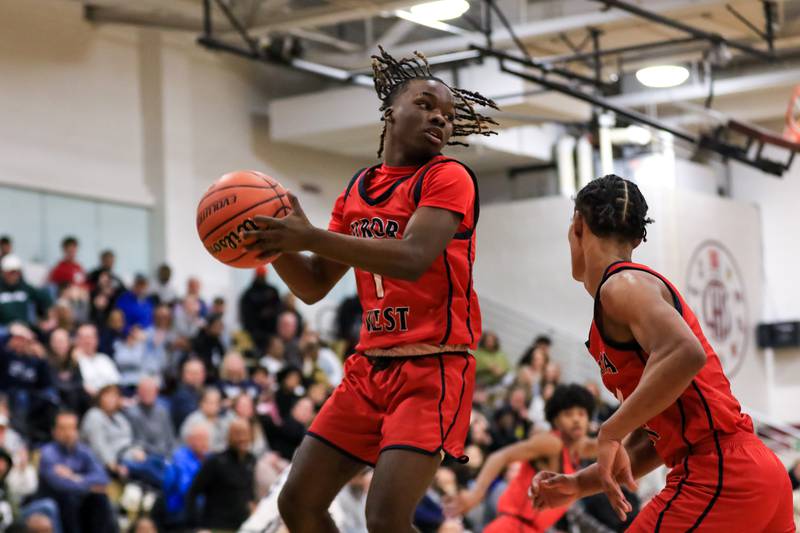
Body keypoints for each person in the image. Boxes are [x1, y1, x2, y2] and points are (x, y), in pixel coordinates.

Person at [243, 46, 498, 532]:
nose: (440, 119)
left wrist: (311, 236)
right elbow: (315, 285)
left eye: (447, 116)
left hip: (432, 368)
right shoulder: (357, 189)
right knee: (297, 503)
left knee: (384, 518)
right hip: (370, 368)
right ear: (390, 111)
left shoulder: (449, 177)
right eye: (425, 105)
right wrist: (271, 244)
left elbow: (412, 258)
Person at [531, 175, 795, 532]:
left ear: (577, 225)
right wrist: (580, 484)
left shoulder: (620, 286)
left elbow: (686, 352)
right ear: (639, 237)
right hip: (754, 471)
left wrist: (609, 432)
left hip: (718, 473)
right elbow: (657, 442)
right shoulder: (626, 298)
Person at [454, 384, 596, 532]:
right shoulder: (552, 443)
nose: (576, 420)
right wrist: (476, 493)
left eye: (581, 414)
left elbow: (609, 443)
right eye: (568, 414)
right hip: (512, 526)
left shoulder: (579, 449)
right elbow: (501, 456)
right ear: (555, 420)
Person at [37, 411, 117, 533]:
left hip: (82, 500)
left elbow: (102, 477)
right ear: (54, 431)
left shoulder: (83, 451)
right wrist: (89, 485)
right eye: (63, 428)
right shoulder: (48, 453)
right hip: (57, 500)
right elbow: (61, 485)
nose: (68, 433)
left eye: (72, 428)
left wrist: (75, 477)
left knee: (100, 498)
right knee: (70, 499)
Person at [186, 418, 256, 531]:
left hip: (243, 526)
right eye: (237, 433)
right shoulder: (216, 462)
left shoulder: (251, 460)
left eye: (246, 433)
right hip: (217, 526)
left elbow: (249, 492)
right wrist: (197, 527)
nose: (242, 438)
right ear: (229, 437)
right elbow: (192, 493)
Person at [160, 420, 211, 527]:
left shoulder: (209, 457)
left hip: (201, 505)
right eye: (200, 439)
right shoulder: (180, 457)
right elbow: (186, 489)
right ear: (189, 441)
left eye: (206, 439)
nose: (204, 443)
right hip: (181, 508)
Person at [124, 376, 176, 458]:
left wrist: (171, 455)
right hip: (147, 456)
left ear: (156, 392)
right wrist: (159, 453)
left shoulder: (162, 411)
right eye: (145, 391)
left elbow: (170, 438)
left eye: (150, 391)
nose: (147, 394)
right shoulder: (132, 413)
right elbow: (138, 442)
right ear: (138, 392)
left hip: (167, 454)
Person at [0, 256, 51, 328]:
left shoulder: (25, 287)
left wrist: (47, 318)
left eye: (17, 272)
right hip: (4, 328)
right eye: (11, 272)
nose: (14, 275)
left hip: (24, 327)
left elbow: (44, 298)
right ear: (3, 273)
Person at [239, 266, 282, 351]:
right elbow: (246, 315)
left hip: (272, 333)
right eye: (260, 276)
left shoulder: (273, 291)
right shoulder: (248, 294)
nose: (262, 278)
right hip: (254, 334)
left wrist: (271, 313)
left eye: (263, 276)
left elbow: (279, 308)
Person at [72, 324, 119, 397]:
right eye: (83, 338)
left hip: (111, 399)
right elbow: (81, 386)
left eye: (90, 337)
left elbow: (116, 382)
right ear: (77, 340)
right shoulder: (74, 361)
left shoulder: (104, 359)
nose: (87, 341)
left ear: (96, 340)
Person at [180, 387, 231, 453]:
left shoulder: (223, 421)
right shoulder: (193, 420)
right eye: (210, 402)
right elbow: (189, 445)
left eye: (216, 402)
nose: (213, 406)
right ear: (201, 403)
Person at [170, 358, 206, 431]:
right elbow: (193, 414)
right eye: (192, 373)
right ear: (183, 375)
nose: (196, 377)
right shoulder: (181, 395)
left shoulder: (202, 391)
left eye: (198, 373)